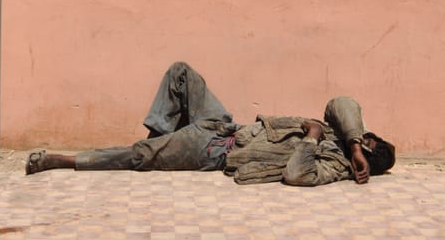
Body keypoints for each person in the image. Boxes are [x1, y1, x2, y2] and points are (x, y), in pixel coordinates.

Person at [25, 62, 396, 186]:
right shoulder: (346, 137)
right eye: (367, 137)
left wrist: (313, 139)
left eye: (369, 145)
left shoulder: (334, 166)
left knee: (140, 155)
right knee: (181, 73)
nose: (365, 139)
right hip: (222, 125)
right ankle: (161, 144)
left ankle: (67, 160)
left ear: (367, 161)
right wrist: (351, 139)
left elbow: (298, 175)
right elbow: (343, 102)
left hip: (217, 151)